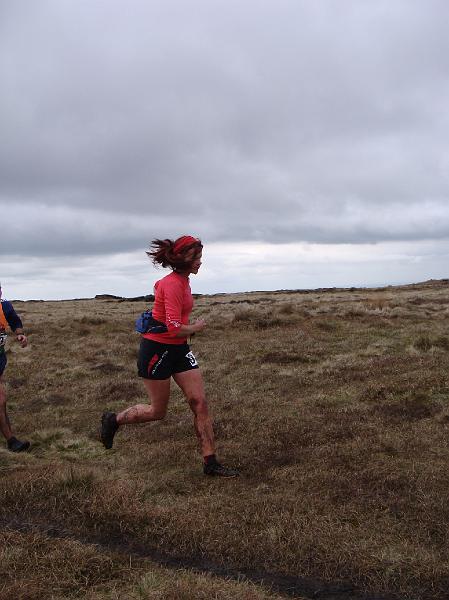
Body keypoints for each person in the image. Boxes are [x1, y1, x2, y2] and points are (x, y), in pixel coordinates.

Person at [100, 236, 238, 477]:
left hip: (179, 349)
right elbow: (174, 327)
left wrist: (187, 330)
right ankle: (114, 420)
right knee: (157, 411)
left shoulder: (183, 281)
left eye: (200, 258)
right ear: (185, 259)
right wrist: (195, 327)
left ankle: (210, 462)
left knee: (200, 403)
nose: (200, 263)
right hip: (157, 350)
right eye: (197, 259)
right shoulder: (173, 284)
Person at [0, 283, 30, 452]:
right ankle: (11, 441)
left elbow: (14, 320)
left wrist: (19, 333)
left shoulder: (4, 305)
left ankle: (11, 441)